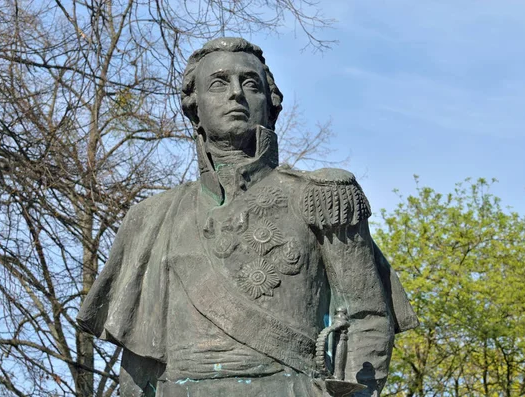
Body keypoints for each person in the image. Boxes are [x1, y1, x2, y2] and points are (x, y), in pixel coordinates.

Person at [77, 37, 418, 397]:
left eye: (250, 84)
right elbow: (140, 358)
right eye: (219, 83)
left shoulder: (322, 195)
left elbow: (367, 316)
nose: (236, 93)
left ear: (271, 106)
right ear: (195, 107)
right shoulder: (151, 218)